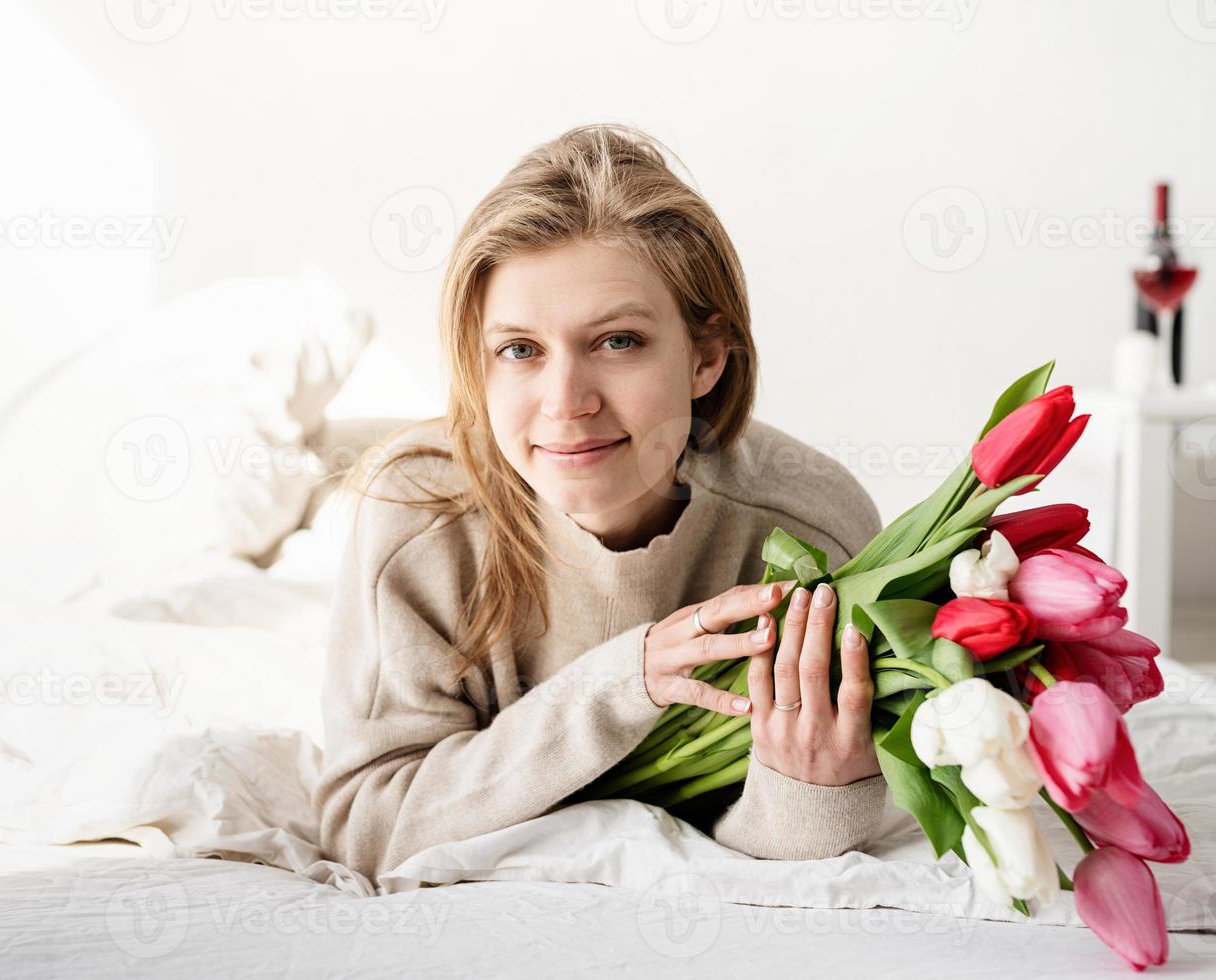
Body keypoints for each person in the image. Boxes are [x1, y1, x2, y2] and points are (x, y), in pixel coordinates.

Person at [312, 123, 887, 882]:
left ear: (706, 357)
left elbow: (778, 839)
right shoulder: (416, 516)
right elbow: (368, 829)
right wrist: (625, 683)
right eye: (519, 350)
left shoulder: (807, 526)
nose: (565, 403)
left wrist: (814, 795)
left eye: (617, 342)